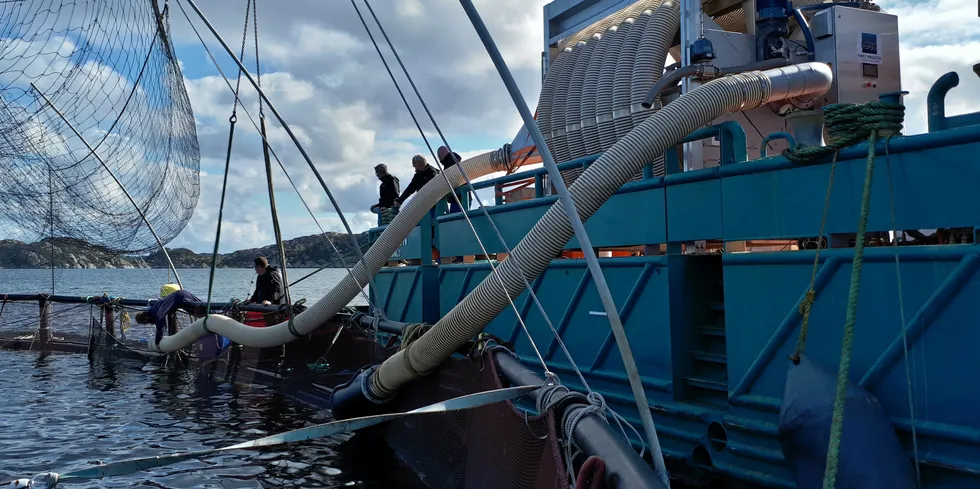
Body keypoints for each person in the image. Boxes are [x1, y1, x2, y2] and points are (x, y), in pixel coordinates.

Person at [135, 288, 202, 346]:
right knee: (200, 310)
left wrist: (157, 343)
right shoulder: (152, 310)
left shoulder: (157, 314)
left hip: (182, 297)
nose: (148, 323)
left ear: (146, 318)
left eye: (146, 322)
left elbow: (161, 327)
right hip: (180, 294)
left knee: (202, 311)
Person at [437, 146, 465, 214]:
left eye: (439, 156)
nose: (439, 158)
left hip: (458, 199)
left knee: (455, 221)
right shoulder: (454, 162)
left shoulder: (449, 164)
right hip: (463, 197)